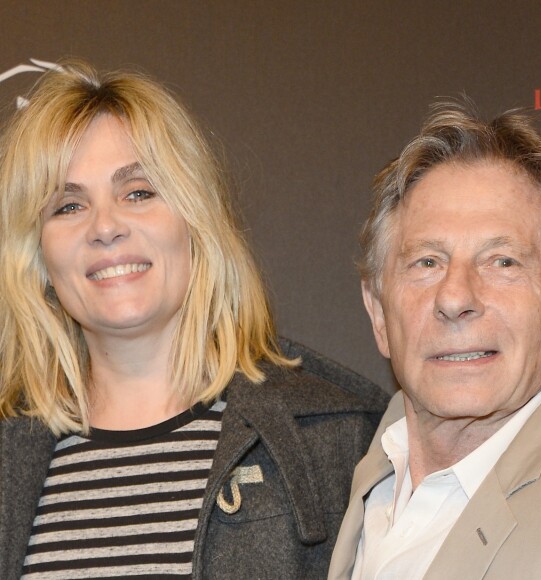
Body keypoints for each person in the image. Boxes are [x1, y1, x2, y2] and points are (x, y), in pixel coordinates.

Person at [0, 60, 388, 580]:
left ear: (196, 220)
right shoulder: (10, 458)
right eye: (68, 206)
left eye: (138, 192)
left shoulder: (336, 435)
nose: (105, 226)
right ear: (39, 255)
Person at [329, 101, 541, 579]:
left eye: (503, 261)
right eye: (427, 262)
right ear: (379, 314)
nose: (454, 296)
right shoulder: (369, 477)